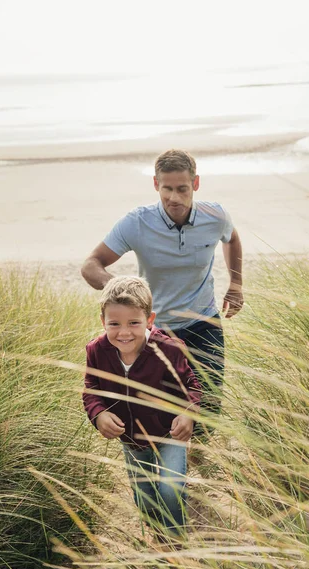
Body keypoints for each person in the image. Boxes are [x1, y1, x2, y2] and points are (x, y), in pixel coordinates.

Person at [81, 149, 243, 434]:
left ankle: (199, 466)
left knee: (207, 411)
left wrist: (236, 284)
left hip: (205, 325)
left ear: (196, 183)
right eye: (167, 189)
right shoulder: (137, 222)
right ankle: (170, 468)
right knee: (162, 412)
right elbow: (91, 265)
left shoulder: (214, 216)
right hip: (156, 333)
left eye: (182, 188)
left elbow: (232, 238)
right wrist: (119, 288)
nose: (174, 198)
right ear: (156, 184)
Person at [83, 275, 201, 541]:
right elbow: (91, 387)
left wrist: (188, 413)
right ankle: (158, 534)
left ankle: (176, 543)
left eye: (134, 323)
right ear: (103, 322)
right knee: (145, 498)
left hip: (169, 434)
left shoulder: (169, 349)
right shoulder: (97, 351)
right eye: (114, 324)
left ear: (149, 320)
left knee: (170, 490)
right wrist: (99, 413)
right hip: (132, 439)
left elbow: (192, 385)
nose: (124, 332)